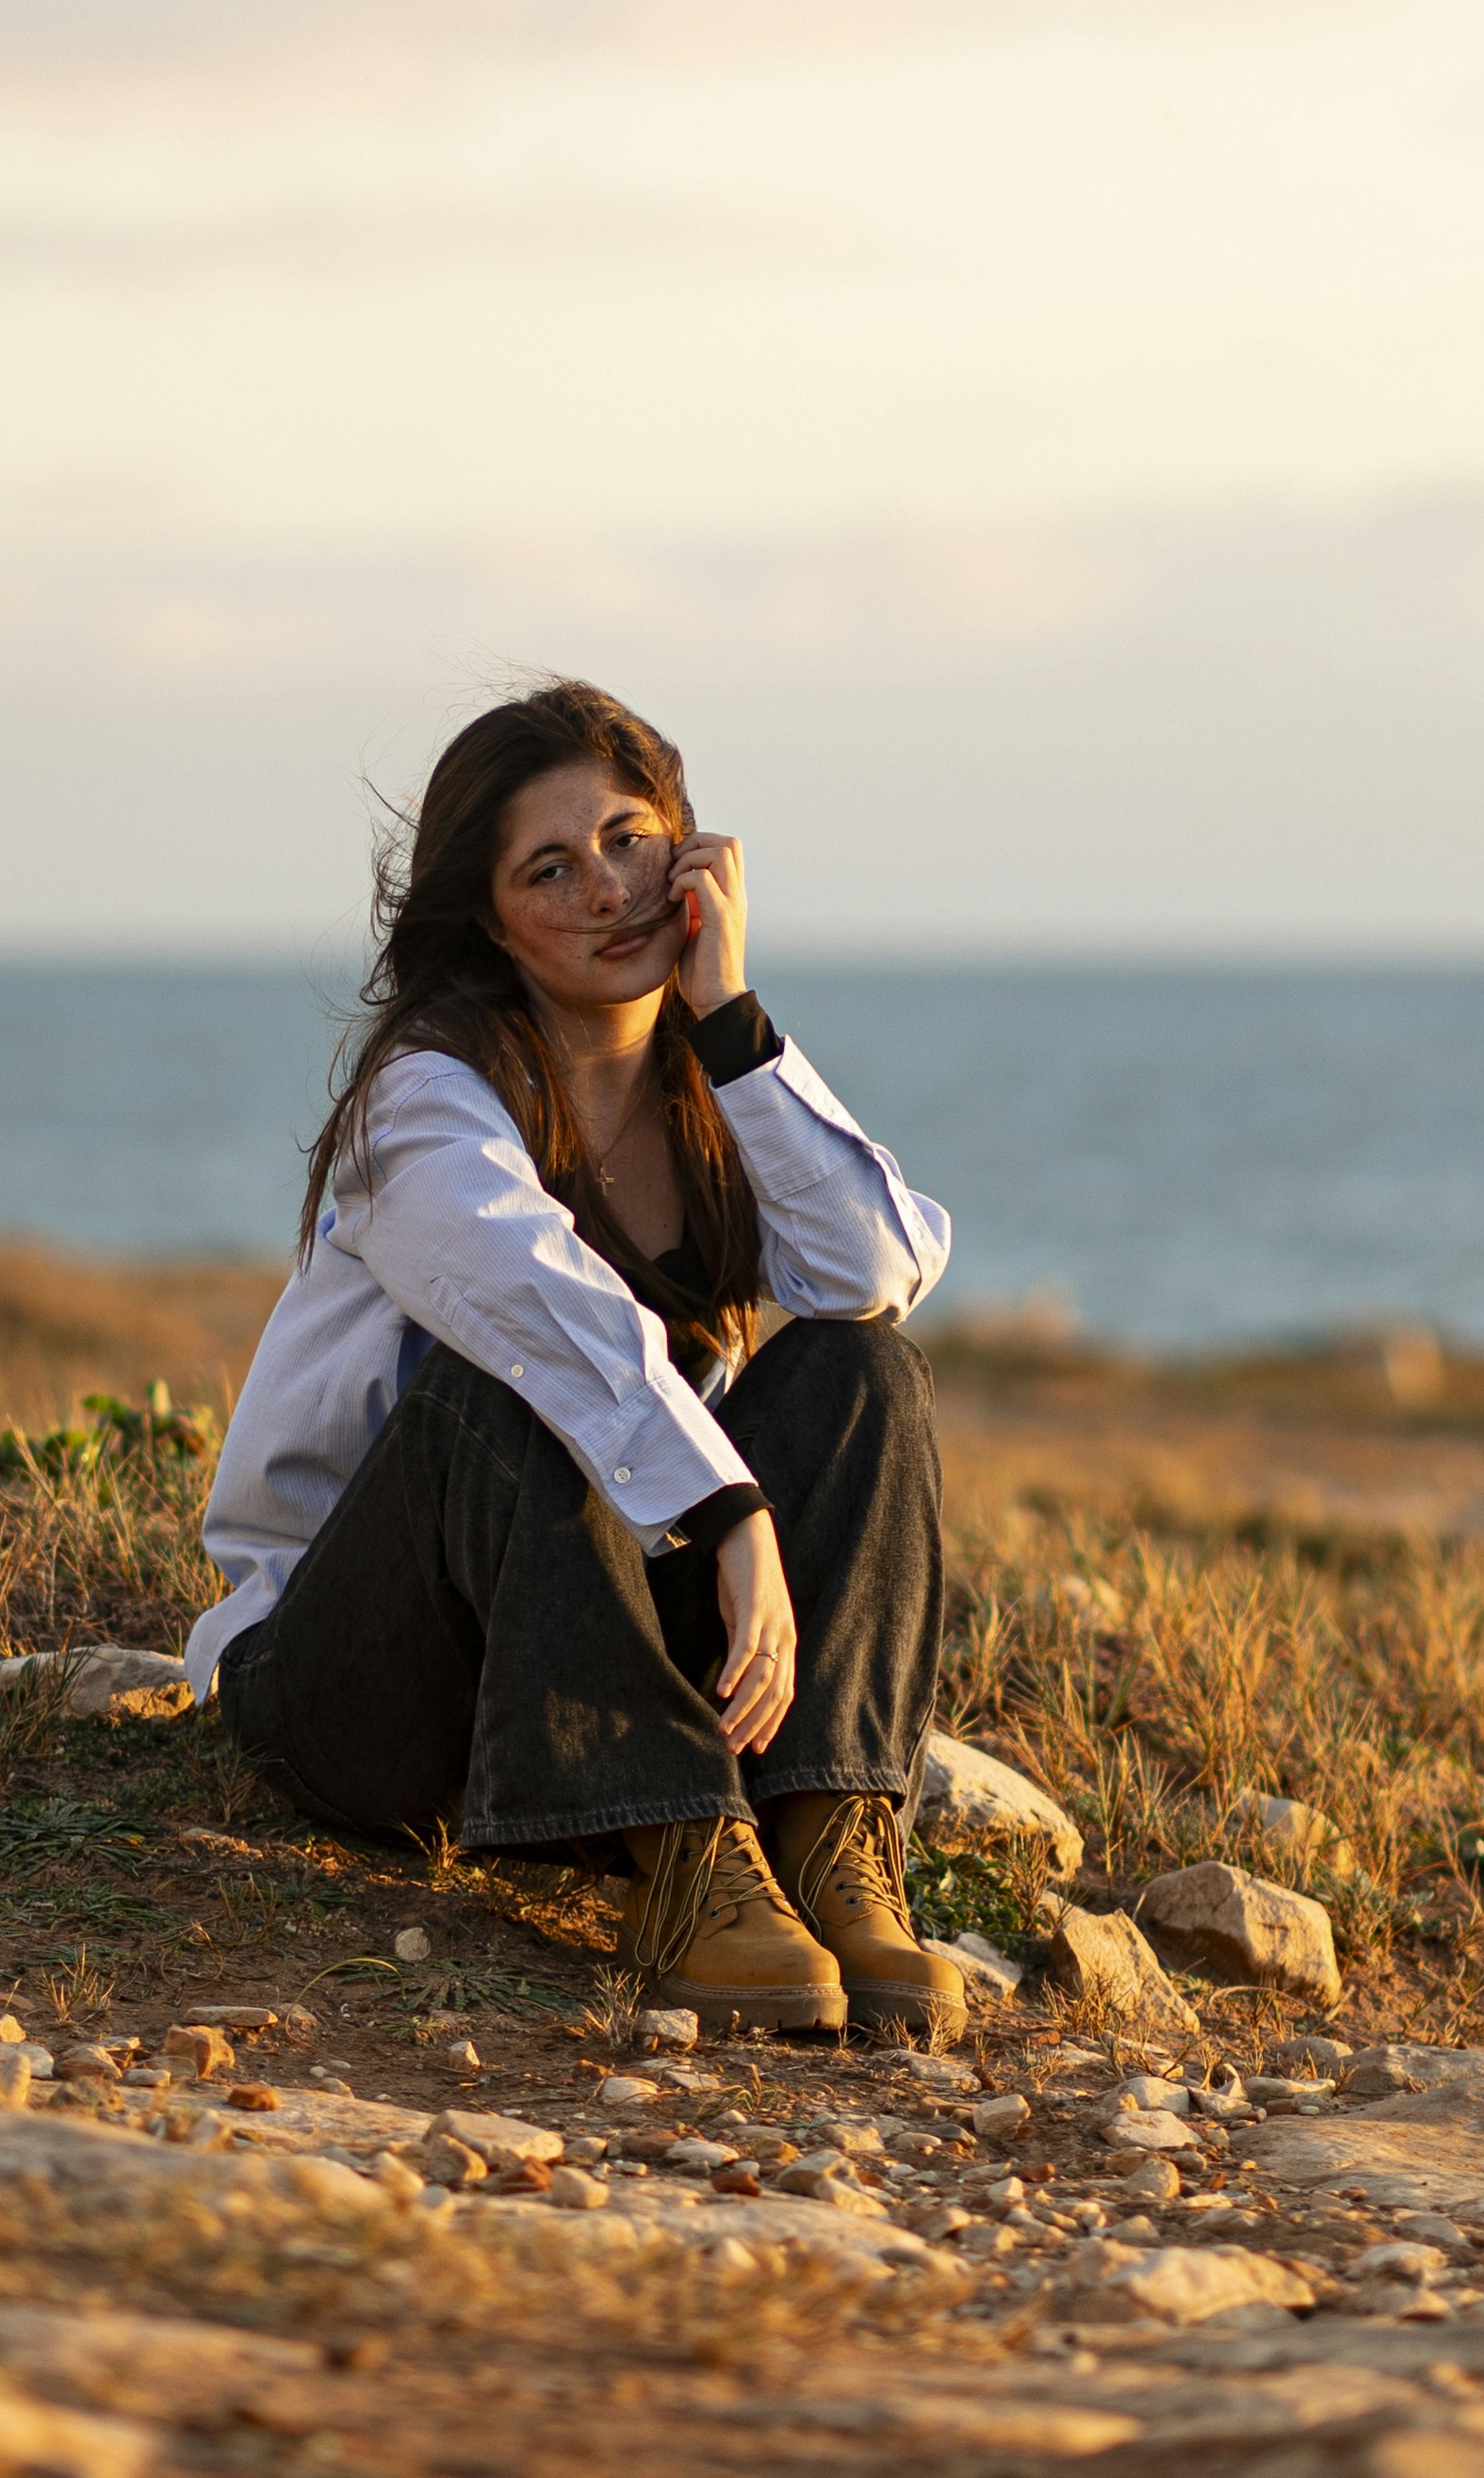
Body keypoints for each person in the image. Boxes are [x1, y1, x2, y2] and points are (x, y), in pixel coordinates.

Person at [187, 681, 964, 2042]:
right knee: (504, 1388)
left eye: (627, 838)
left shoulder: (703, 1081)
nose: (606, 890)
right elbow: (540, 1310)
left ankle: (825, 1842)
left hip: (580, 1650)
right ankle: (681, 1866)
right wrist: (726, 1511)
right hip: (361, 1683)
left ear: (691, 849)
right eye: (549, 869)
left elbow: (873, 1275)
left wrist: (730, 1019)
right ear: (487, 919)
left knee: (862, 1377)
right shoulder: (423, 1099)